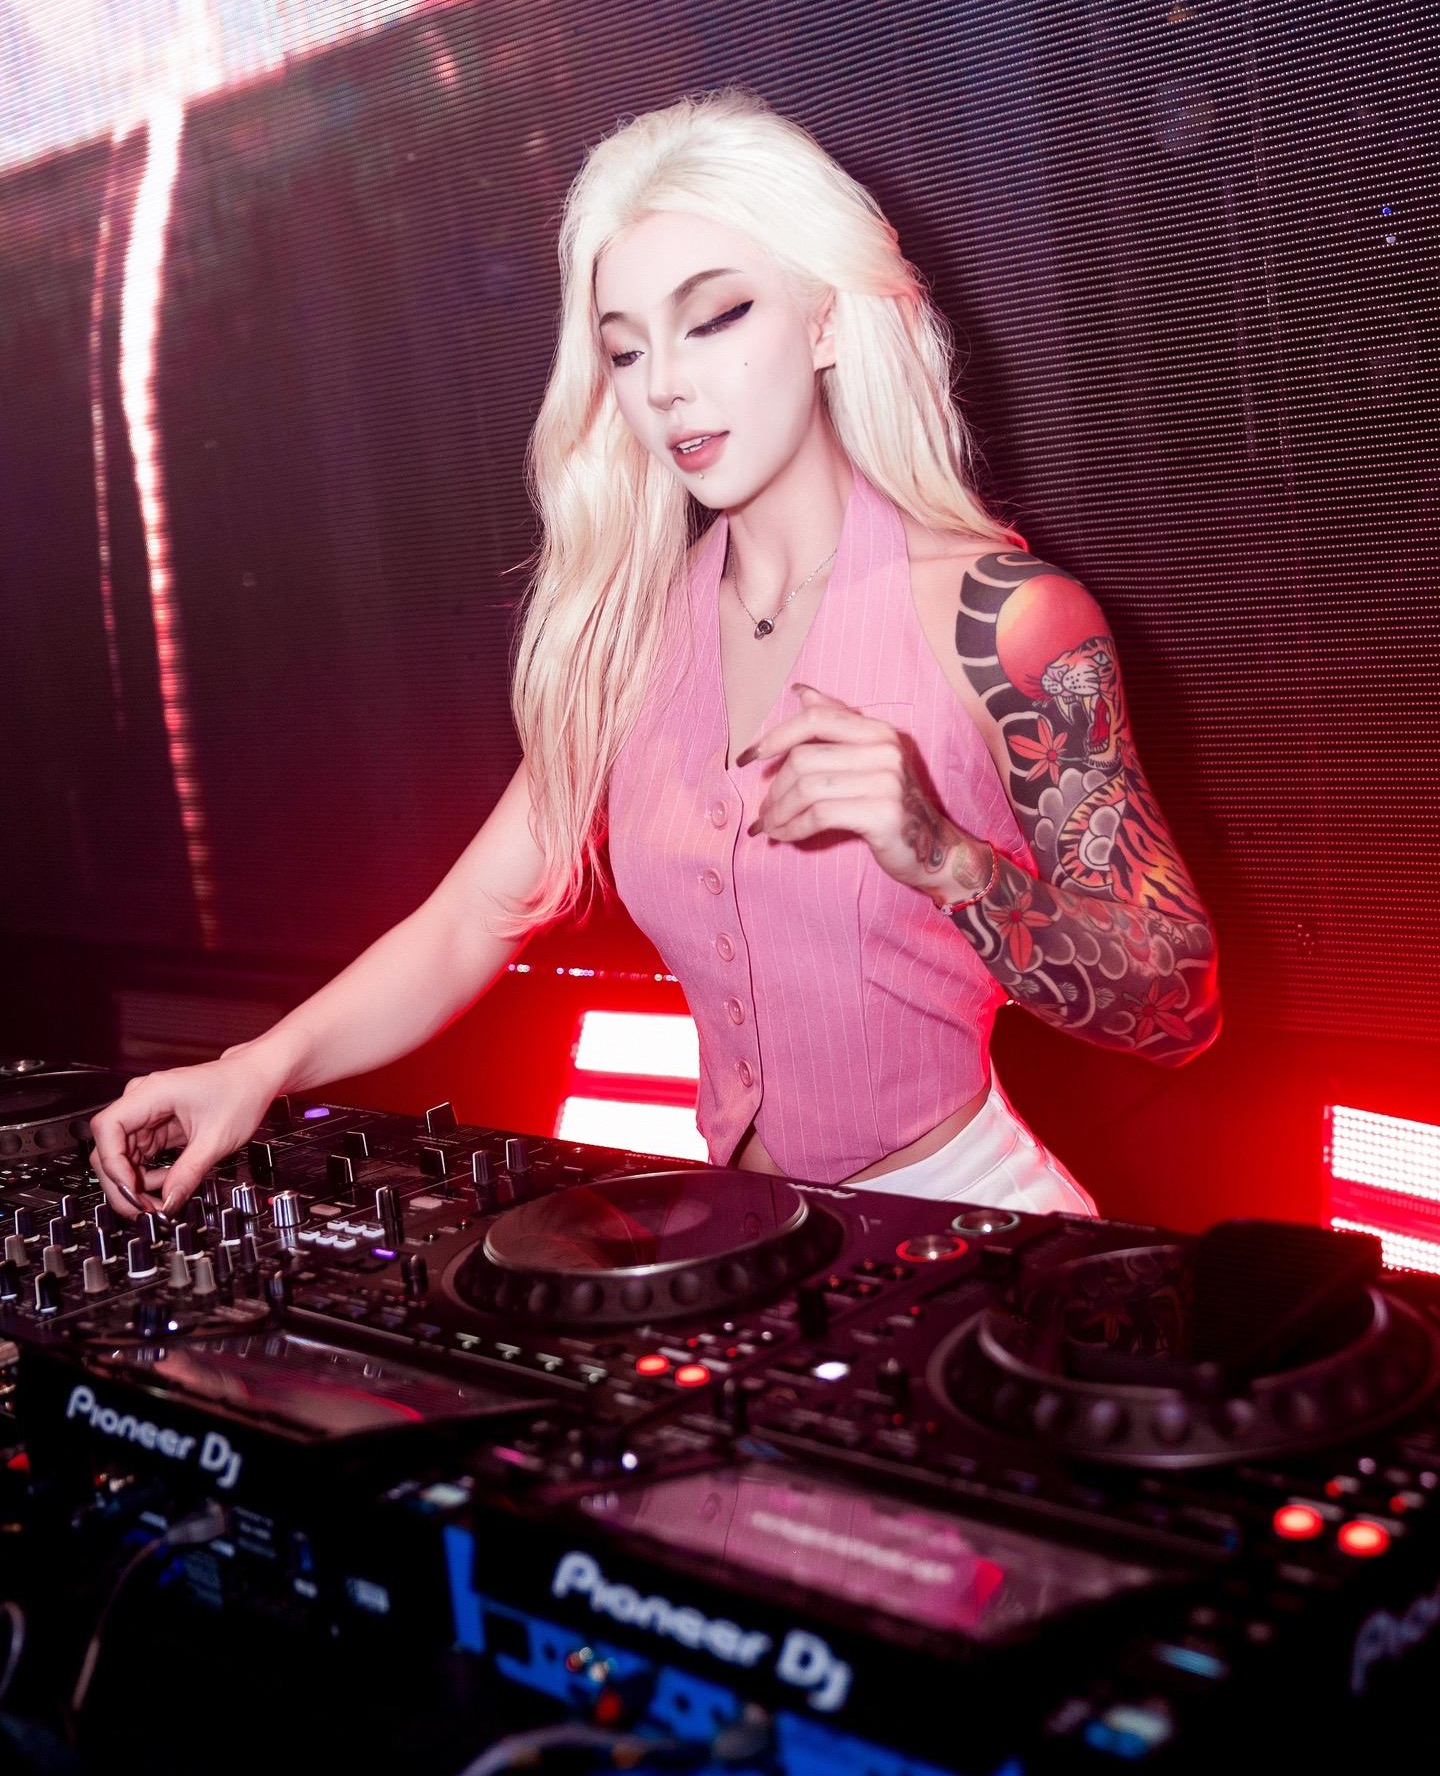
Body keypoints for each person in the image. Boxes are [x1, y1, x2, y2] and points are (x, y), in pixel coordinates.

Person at [88, 88, 1221, 1222]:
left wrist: (945, 855)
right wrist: (252, 1071)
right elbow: (472, 919)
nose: (664, 383)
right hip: (742, 1240)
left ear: (825, 321)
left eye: (714, 318)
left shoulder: (1006, 621)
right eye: (625, 350)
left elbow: (1179, 1008)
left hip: (974, 1227)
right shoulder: (632, 636)